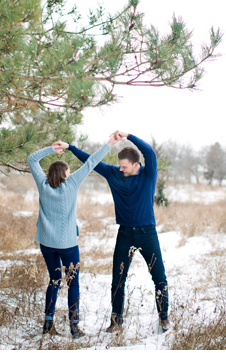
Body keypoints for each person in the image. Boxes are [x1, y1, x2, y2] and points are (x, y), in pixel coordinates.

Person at [65, 130, 170, 333]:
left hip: (147, 233)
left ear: (136, 165)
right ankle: (116, 322)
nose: (121, 170)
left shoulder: (148, 175)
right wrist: (70, 147)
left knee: (159, 277)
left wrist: (129, 135)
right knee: (117, 280)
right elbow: (91, 161)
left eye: (124, 167)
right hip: (125, 234)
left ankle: (164, 318)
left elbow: (149, 152)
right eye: (119, 166)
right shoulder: (114, 173)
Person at [30, 133, 117, 338]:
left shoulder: (42, 185)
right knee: (73, 283)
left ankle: (48, 324)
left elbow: (32, 159)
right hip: (68, 244)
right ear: (65, 173)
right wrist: (109, 144)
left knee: (54, 279)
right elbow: (91, 162)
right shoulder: (71, 184)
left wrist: (51, 149)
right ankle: (74, 326)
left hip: (46, 244)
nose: (70, 172)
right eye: (68, 170)